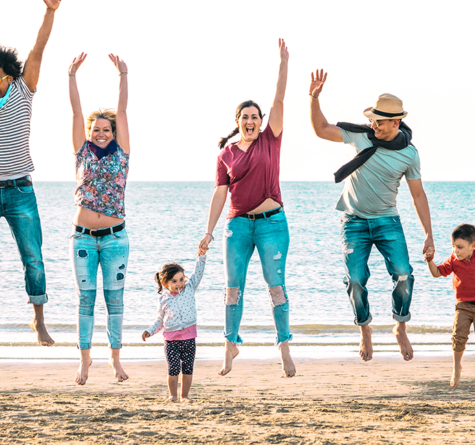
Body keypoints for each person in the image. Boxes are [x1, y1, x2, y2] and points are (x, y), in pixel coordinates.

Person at [309, 70, 435, 363]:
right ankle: (364, 328)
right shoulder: (359, 135)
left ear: (396, 122)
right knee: (354, 279)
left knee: (404, 274)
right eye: (372, 120)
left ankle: (400, 326)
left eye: (379, 122)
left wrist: (428, 233)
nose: (373, 125)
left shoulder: (409, 154)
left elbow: (418, 195)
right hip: (353, 221)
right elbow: (320, 128)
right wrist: (314, 98)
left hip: (387, 221)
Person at [199, 39, 295, 378]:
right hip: (237, 226)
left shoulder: (271, 138)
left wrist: (283, 63)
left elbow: (279, 98)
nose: (251, 121)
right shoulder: (226, 154)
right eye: (246, 117)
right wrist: (209, 232)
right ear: (237, 121)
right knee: (232, 287)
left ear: (261, 120)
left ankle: (284, 346)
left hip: (272, 224)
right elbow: (219, 195)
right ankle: (230, 346)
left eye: (256, 117)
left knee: (275, 286)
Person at [0, 0, 62, 346]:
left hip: (20, 190)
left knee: (33, 257)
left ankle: (38, 320)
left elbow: (38, 49)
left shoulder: (22, 89)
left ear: (9, 76)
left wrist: (49, 11)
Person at [68, 52, 130, 385]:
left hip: (116, 238)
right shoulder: (82, 150)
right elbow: (77, 112)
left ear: (114, 132)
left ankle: (115, 360)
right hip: (82, 238)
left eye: (106, 129)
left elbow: (122, 111)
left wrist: (123, 74)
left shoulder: (122, 153)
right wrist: (72, 77)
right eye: (97, 129)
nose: (101, 133)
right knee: (86, 300)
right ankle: (84, 360)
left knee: (115, 300)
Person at [142, 254, 207, 402]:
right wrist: (150, 331)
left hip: (189, 339)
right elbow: (160, 320)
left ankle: (185, 396)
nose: (179, 283)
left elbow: (198, 272)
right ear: (165, 283)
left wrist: (201, 256)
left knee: (188, 369)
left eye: (181, 279)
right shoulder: (164, 300)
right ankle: (173, 396)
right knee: (173, 369)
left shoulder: (190, 289)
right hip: (171, 342)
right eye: (174, 281)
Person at [425, 224, 475, 388]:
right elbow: (437, 272)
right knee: (459, 337)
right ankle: (456, 367)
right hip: (463, 305)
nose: (456, 251)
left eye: (460, 247)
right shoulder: (454, 260)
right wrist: (430, 261)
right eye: (454, 247)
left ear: (472, 246)